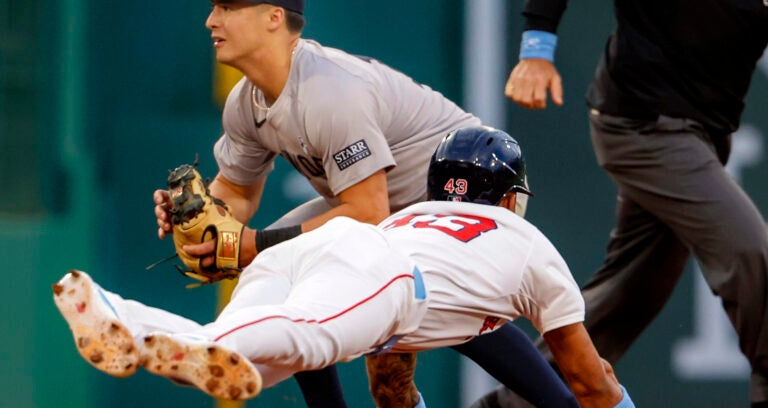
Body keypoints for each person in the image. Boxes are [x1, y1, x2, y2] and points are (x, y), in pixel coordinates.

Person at [152, 0, 575, 407]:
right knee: (304, 287)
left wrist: (254, 244)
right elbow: (237, 192)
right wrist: (202, 219)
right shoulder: (246, 101)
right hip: (384, 204)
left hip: (463, 192)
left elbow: (368, 213)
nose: (210, 20)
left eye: (227, 7)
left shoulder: (329, 92)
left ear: (273, 18)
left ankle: (565, 402)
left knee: (426, 311)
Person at [56, 126, 634, 408]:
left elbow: (389, 382)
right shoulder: (526, 244)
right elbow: (588, 382)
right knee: (300, 337)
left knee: (258, 358)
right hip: (381, 274)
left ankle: (129, 327)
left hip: (319, 251)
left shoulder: (414, 220)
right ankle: (134, 321)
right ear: (510, 199)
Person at [489, 0, 768, 407]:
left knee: (628, 297)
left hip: (703, 134)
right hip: (639, 126)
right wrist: (535, 53)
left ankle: (516, 401)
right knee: (752, 254)